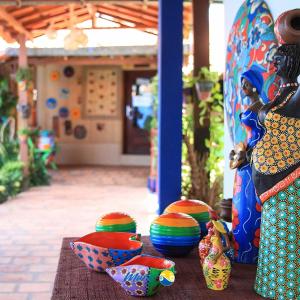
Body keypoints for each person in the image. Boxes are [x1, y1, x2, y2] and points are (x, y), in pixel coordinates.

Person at [251, 10, 300, 299]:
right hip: (272, 177)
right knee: (273, 238)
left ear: (293, 60)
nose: (273, 63)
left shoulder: (296, 96)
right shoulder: (284, 92)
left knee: (288, 238)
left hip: (291, 180)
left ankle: (287, 289)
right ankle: (272, 285)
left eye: (279, 58)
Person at [229, 68, 265, 264]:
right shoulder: (254, 107)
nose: (242, 86)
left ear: (254, 85)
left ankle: (251, 253)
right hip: (245, 158)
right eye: (241, 82)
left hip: (256, 158)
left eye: (245, 82)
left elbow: (263, 136)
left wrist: (250, 153)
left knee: (252, 202)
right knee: (241, 203)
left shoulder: (263, 108)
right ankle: (239, 249)